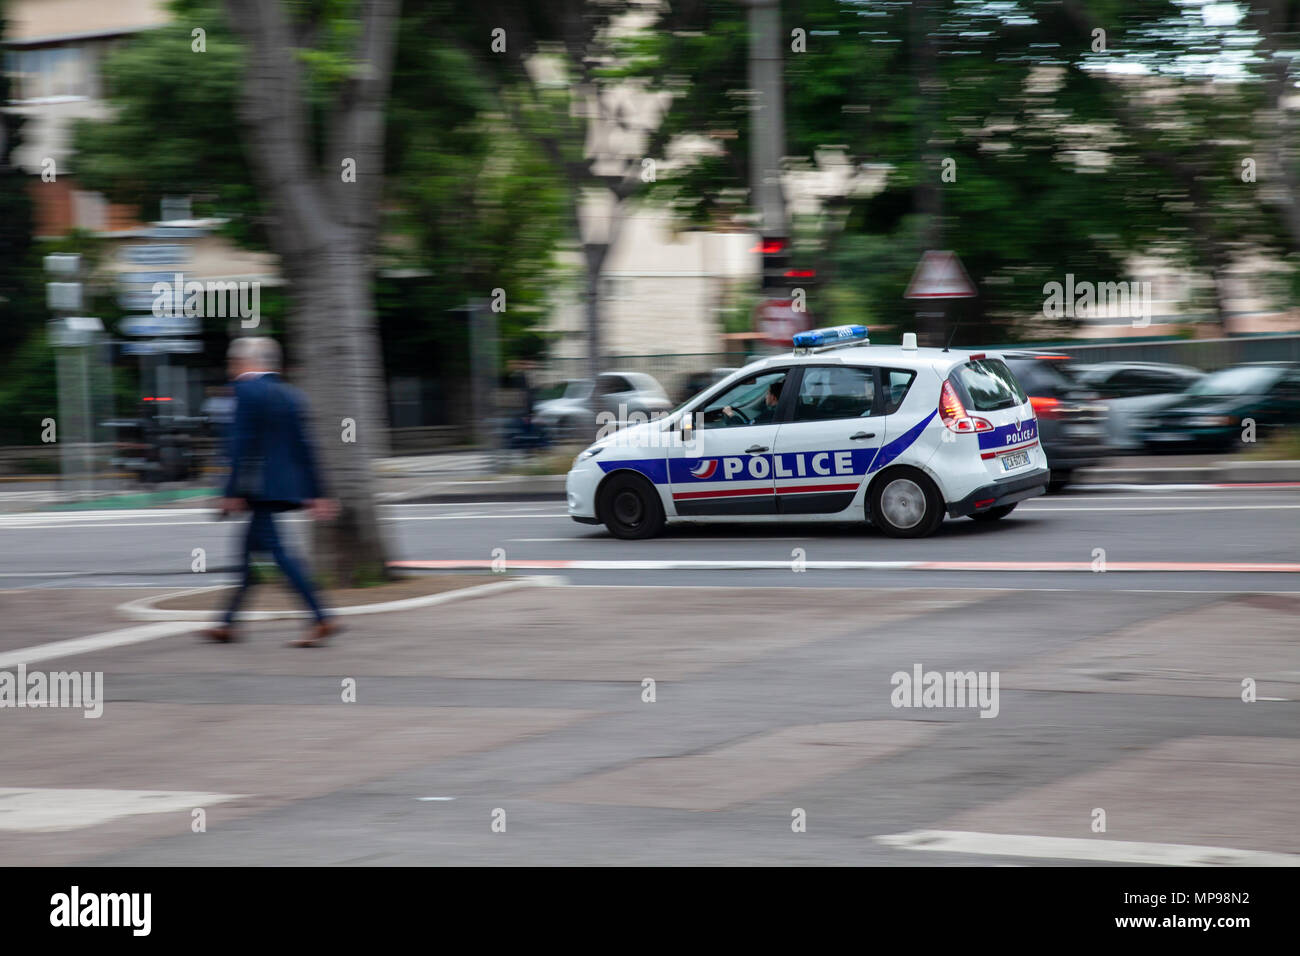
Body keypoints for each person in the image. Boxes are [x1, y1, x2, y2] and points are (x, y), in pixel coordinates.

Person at [203, 337, 340, 648]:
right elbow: (306, 447)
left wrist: (231, 490)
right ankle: (226, 623)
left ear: (244, 363)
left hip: (256, 488)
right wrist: (318, 493)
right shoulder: (291, 395)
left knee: (278, 554)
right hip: (282, 488)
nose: (231, 369)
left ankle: (321, 616)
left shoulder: (244, 391)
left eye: (233, 362)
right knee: (249, 555)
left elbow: (240, 445)